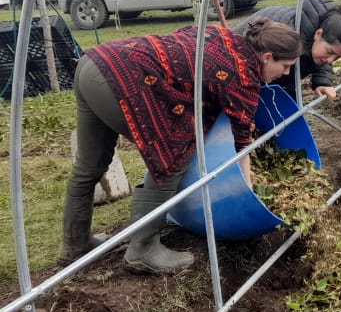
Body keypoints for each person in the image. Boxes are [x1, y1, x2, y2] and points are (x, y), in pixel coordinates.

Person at [60, 19, 301, 274]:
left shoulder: (224, 35)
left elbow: (185, 40)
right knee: (171, 155)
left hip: (95, 63)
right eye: (285, 66)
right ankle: (143, 249)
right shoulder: (244, 76)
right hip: (122, 80)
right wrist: (249, 191)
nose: (287, 73)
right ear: (266, 57)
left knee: (90, 164)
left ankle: (75, 244)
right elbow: (242, 144)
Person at [238, 0, 341, 101]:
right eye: (330, 52)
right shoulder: (286, 35)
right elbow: (260, 69)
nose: (330, 60)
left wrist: (322, 81)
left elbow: (321, 57)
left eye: (337, 57)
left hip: (278, 75)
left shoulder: (323, 31)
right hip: (244, 68)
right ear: (318, 34)